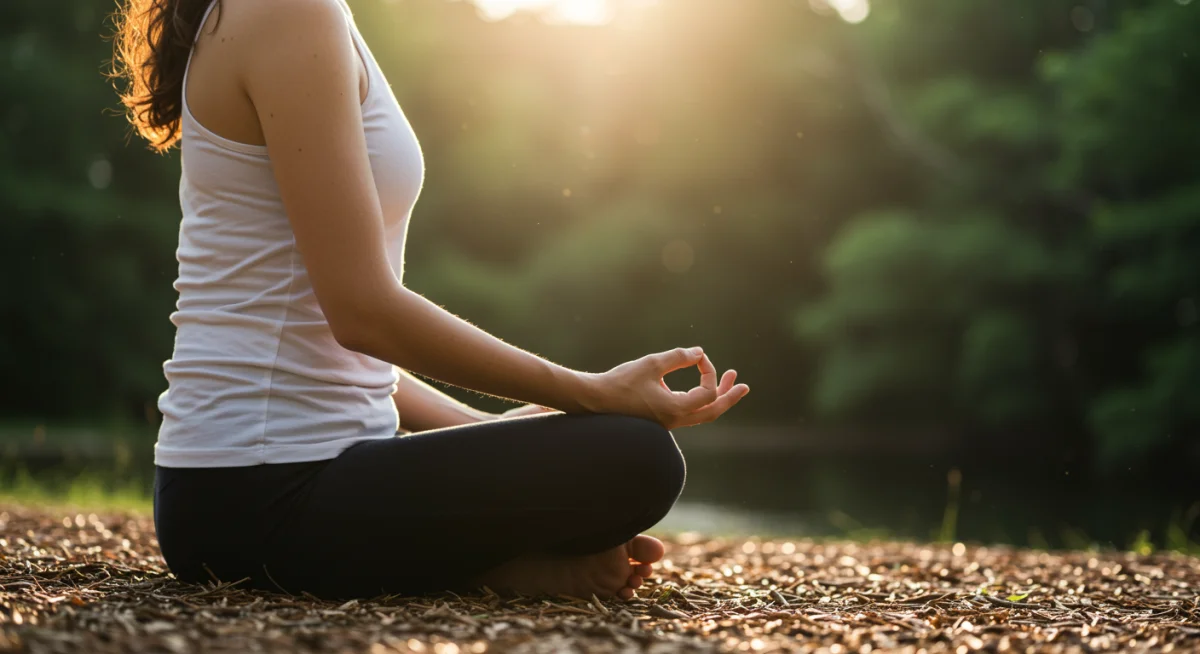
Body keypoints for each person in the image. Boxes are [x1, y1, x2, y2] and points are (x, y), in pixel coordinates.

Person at [112, 0, 749, 600]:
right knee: (635, 458)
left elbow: (353, 364)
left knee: (614, 439)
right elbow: (364, 314)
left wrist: (501, 438)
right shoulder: (287, 12)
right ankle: (491, 568)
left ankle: (489, 561)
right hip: (254, 494)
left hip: (303, 476)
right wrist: (587, 392)